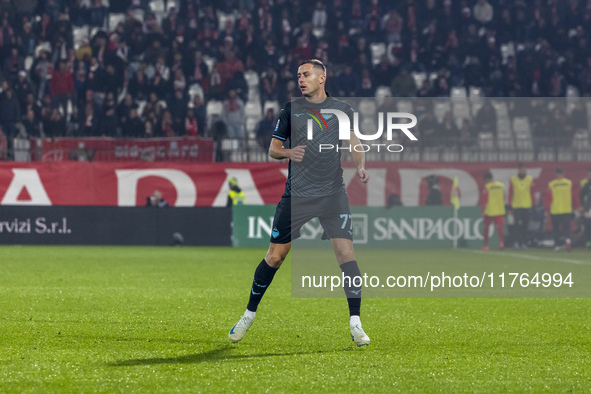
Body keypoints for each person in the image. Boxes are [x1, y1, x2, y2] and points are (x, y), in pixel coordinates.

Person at [228, 59, 371, 346]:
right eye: (298, 75)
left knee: (347, 255)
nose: (301, 79)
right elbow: (273, 149)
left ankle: (356, 323)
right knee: (275, 257)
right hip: (298, 195)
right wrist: (288, 152)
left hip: (332, 195)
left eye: (306, 74)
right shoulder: (291, 110)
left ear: (322, 78)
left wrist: (360, 165)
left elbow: (353, 142)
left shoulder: (342, 110)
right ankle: (248, 314)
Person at [545, 168, 574, 252]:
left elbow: (549, 198)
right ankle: (568, 241)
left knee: (556, 229)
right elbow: (573, 196)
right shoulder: (569, 183)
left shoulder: (551, 184)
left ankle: (557, 245)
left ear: (555, 174)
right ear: (563, 173)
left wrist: (547, 209)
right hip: (566, 209)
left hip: (555, 209)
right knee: (567, 228)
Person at [508, 163, 535, 249]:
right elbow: (510, 193)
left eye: (524, 169)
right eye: (521, 169)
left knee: (525, 226)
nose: (523, 170)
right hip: (517, 205)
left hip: (526, 205)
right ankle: (516, 242)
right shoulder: (513, 180)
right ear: (519, 170)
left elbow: (532, 192)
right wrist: (510, 204)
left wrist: (534, 204)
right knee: (516, 226)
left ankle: (524, 242)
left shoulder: (530, 179)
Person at [481, 172, 505, 251]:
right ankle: (501, 243)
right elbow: (504, 196)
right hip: (499, 209)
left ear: (486, 180)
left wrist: (483, 210)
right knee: (499, 227)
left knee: (486, 227)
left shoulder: (487, 187)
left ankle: (486, 245)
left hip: (489, 209)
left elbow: (485, 199)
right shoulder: (501, 185)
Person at [579, 168, 591, 250]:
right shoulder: (587, 185)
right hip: (589, 209)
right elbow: (584, 197)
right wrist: (585, 209)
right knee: (588, 228)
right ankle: (588, 244)